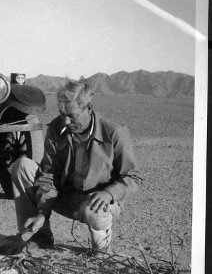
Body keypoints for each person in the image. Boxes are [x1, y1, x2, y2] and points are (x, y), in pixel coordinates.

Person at [10, 77, 142, 255]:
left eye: (71, 116)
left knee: (94, 209)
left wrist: (109, 193)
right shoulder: (57, 129)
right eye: (62, 114)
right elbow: (48, 176)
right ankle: (41, 234)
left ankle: (102, 249)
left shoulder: (114, 133)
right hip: (66, 196)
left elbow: (133, 177)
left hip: (96, 202)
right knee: (22, 166)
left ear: (88, 108)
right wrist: (42, 213)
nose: (65, 122)